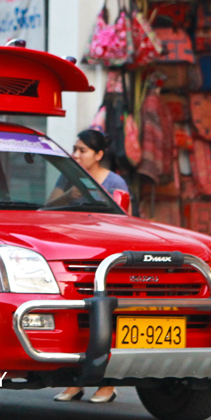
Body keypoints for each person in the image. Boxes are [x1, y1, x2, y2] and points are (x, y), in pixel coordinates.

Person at [52, 129, 128, 404]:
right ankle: (75, 383)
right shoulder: (68, 176)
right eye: (75, 149)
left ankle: (107, 385)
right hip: (77, 256)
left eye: (82, 150)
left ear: (98, 155)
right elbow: (48, 206)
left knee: (108, 320)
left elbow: (123, 219)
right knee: (80, 319)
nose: (76, 155)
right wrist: (68, 197)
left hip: (108, 259)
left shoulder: (114, 181)